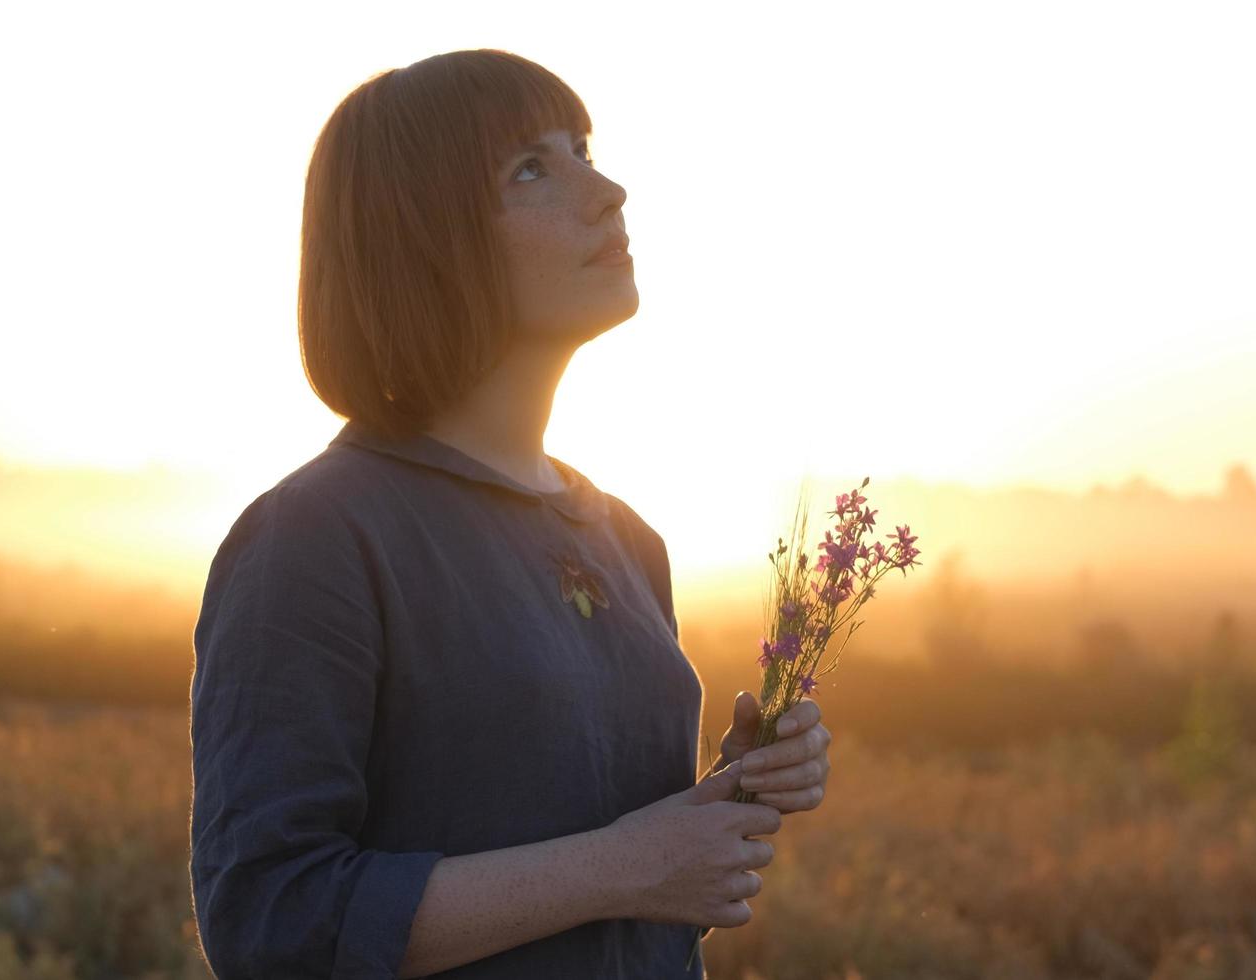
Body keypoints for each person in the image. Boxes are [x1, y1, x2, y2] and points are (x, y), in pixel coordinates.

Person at [189, 48, 828, 978]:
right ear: (421, 241)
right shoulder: (317, 538)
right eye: (530, 168)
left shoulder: (624, 538)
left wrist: (727, 799)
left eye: (581, 147)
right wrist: (624, 867)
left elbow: (611, 888)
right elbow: (271, 920)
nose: (606, 190)